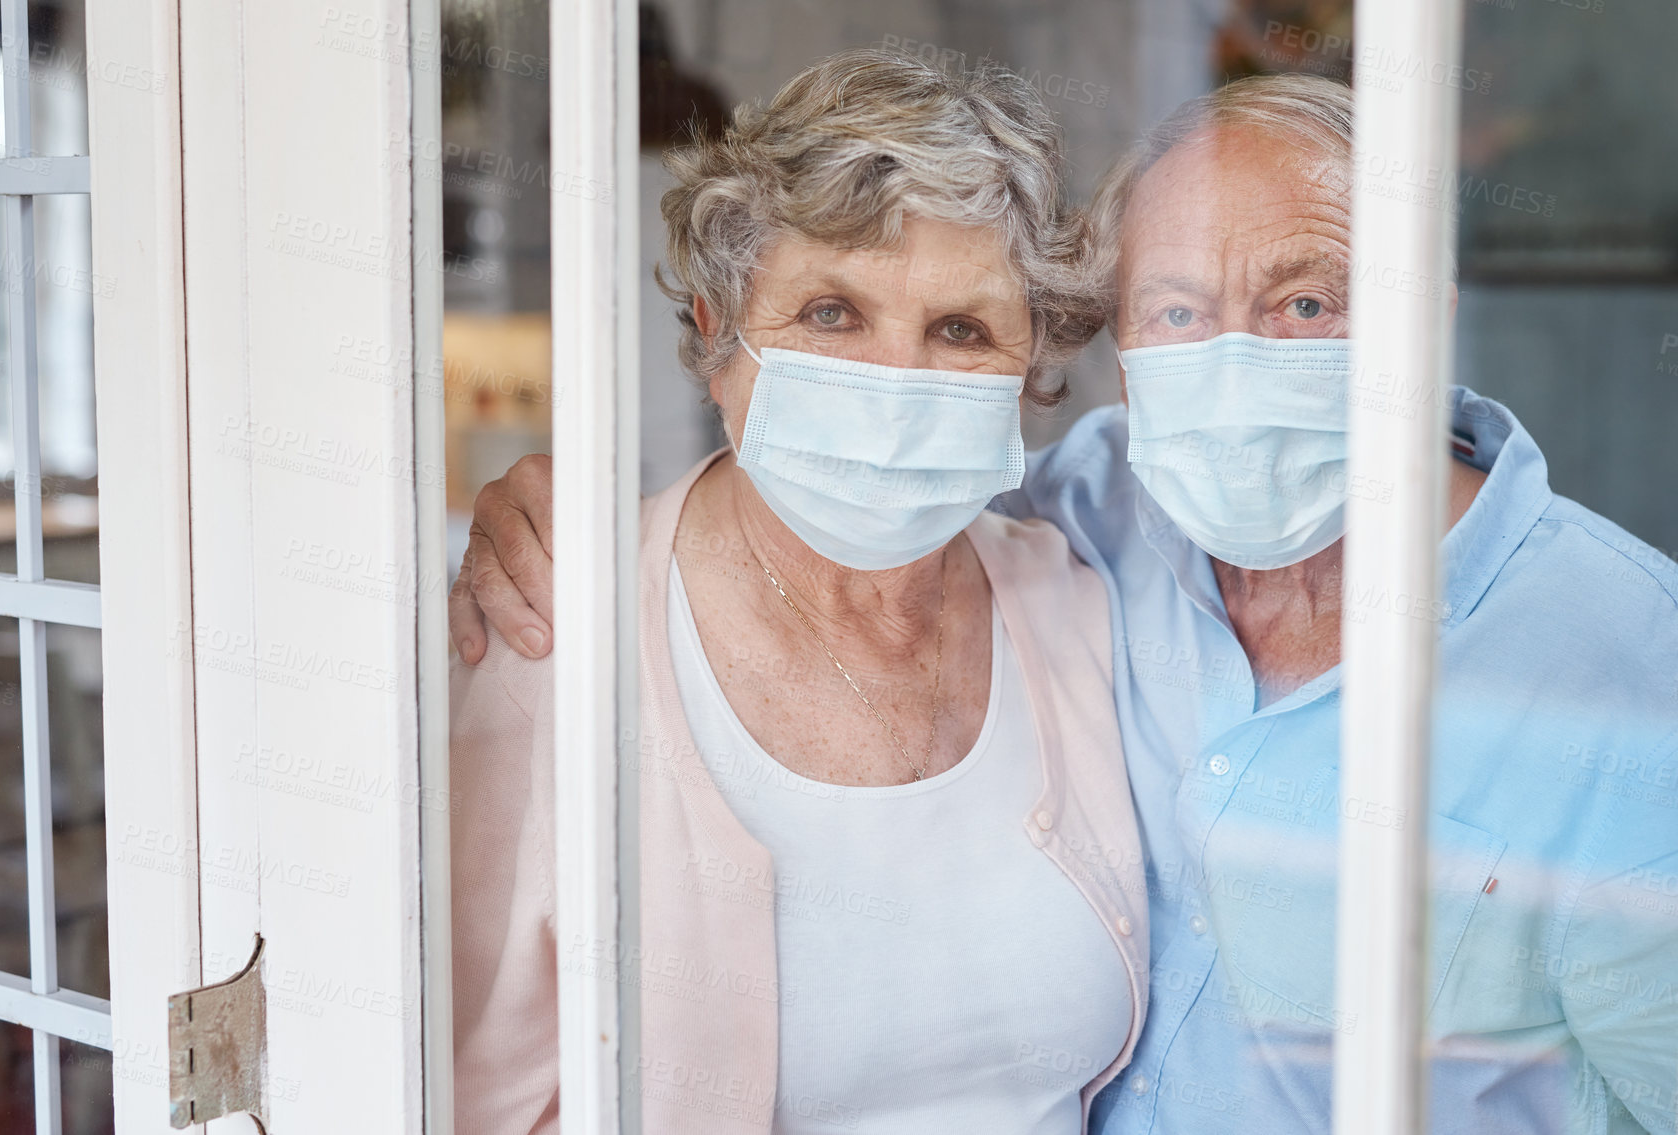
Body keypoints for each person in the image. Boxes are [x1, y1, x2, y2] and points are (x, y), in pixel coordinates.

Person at [455, 71, 1678, 1134]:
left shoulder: (1627, 665)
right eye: (1180, 311)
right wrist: (520, 509)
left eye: (1305, 302)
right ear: (718, 334)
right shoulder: (1088, 524)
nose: (894, 392)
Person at [450, 50, 1149, 1135]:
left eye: (961, 329)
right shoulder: (560, 628)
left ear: (1031, 368)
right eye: (831, 313)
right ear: (717, 326)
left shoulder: (1078, 610)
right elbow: (464, 1093)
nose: (894, 383)